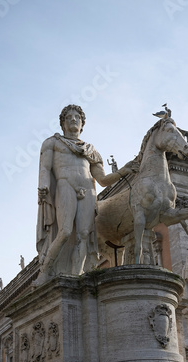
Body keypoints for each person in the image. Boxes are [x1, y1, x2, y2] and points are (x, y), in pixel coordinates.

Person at [35, 104, 137, 284]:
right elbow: (45, 167)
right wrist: (43, 186)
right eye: (69, 117)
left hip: (88, 189)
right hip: (65, 184)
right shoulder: (53, 143)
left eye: (77, 117)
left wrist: (123, 171)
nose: (73, 119)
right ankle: (45, 271)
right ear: (63, 123)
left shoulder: (90, 150)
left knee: (83, 234)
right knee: (65, 231)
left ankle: (76, 277)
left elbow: (103, 180)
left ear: (82, 124)